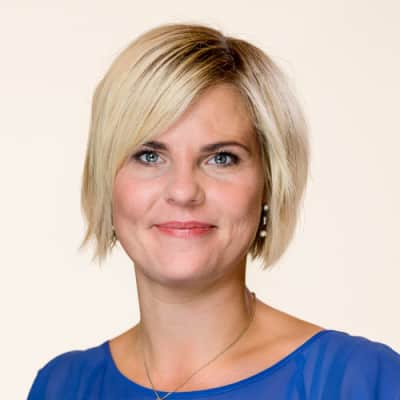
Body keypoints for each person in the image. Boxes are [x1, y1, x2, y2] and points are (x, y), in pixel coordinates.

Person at [27, 22, 400, 400]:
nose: (183, 191)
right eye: (149, 156)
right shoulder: (62, 387)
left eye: (221, 158)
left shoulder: (360, 381)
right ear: (106, 180)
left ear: (270, 182)